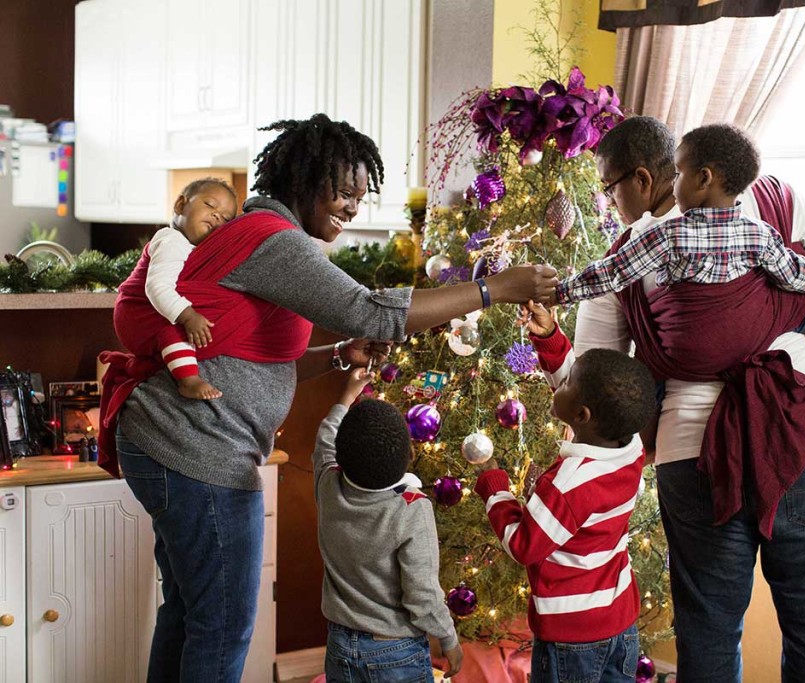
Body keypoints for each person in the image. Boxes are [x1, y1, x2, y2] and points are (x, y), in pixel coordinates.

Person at [100, 113, 558, 683]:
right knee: (221, 624)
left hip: (175, 443)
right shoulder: (275, 241)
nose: (351, 209)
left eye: (359, 198)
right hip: (197, 448)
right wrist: (495, 289)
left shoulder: (265, 235)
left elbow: (258, 354)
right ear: (306, 180)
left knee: (192, 614)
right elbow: (374, 310)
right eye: (343, 193)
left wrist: (340, 355)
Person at [577, 115, 805, 682]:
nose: (607, 198)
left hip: (696, 450)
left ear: (646, 179)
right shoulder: (777, 201)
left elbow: (598, 379)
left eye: (608, 185)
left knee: (709, 631)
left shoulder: (630, 250)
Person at [556, 123, 805, 405]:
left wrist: (559, 292)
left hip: (687, 429)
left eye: (608, 188)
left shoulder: (662, 236)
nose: (609, 201)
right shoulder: (762, 224)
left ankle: (645, 445)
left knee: (646, 367)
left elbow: (608, 288)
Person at [474, 301, 657, 683]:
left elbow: (524, 544)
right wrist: (550, 340)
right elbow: (580, 393)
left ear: (582, 417)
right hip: (619, 620)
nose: (563, 383)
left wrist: (496, 488)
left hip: (572, 635)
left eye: (569, 382)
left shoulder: (569, 483)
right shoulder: (627, 447)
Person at [312, 368, 462, 682]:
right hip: (395, 652)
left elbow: (326, 437)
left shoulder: (328, 483)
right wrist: (448, 638)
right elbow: (422, 595)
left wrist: (346, 396)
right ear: (409, 454)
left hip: (339, 645)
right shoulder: (411, 508)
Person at [140, 178, 237, 400]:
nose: (216, 216)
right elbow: (157, 286)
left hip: (152, 313)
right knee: (175, 331)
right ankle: (188, 381)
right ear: (180, 205)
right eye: (210, 205)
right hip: (141, 313)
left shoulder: (188, 247)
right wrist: (188, 316)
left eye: (225, 218)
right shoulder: (172, 241)